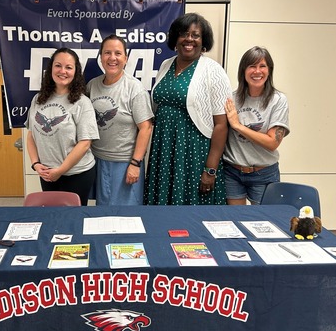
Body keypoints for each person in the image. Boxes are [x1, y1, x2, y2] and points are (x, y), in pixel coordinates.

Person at [144, 13, 232, 205]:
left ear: (204, 41)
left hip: (194, 153)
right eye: (184, 33)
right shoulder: (166, 65)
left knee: (191, 213)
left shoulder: (213, 71)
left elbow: (221, 125)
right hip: (164, 150)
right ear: (176, 38)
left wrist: (211, 169)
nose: (189, 39)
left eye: (196, 35)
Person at [25, 47, 99, 206]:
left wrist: (60, 171)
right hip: (46, 173)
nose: (62, 71)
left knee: (74, 219)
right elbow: (31, 134)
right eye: (58, 65)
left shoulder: (82, 102)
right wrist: (35, 164)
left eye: (69, 67)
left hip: (76, 174)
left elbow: (85, 142)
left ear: (76, 72)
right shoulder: (38, 99)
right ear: (51, 68)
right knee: (53, 216)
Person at [86, 34, 153, 205]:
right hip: (97, 161)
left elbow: (146, 128)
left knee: (126, 216)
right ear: (101, 57)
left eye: (117, 53)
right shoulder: (92, 86)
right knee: (102, 212)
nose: (112, 58)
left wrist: (135, 164)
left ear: (126, 58)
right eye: (107, 53)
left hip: (124, 163)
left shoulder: (134, 88)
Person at [223, 46, 290, 205]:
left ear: (269, 70)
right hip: (232, 172)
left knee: (262, 223)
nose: (257, 71)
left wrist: (238, 126)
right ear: (243, 70)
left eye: (262, 66)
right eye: (252, 66)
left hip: (263, 173)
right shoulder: (231, 99)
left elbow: (272, 143)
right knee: (235, 221)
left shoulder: (278, 100)